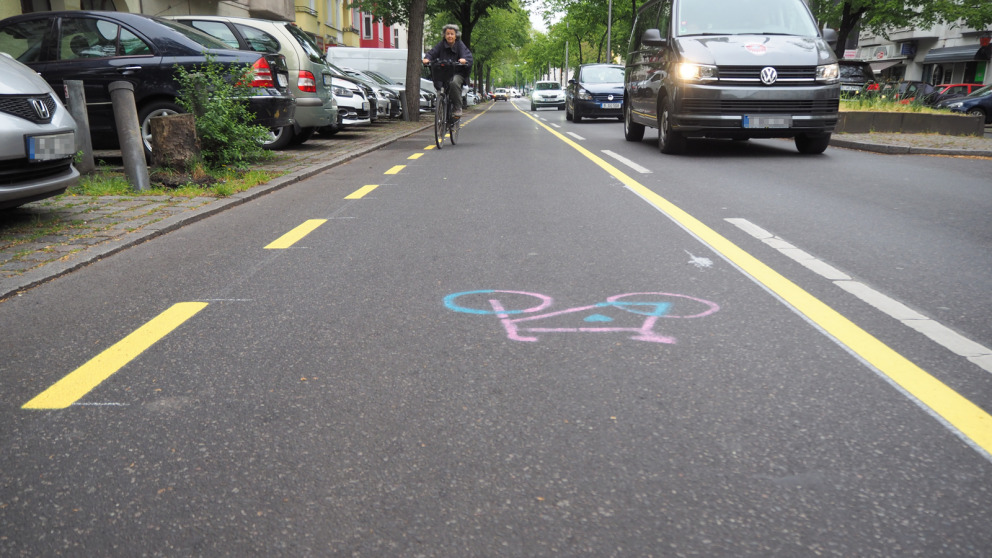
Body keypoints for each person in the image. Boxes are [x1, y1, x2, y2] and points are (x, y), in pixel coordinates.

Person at [422, 24, 473, 118]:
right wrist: (427, 58)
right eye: (447, 34)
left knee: (453, 83)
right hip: (444, 72)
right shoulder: (441, 45)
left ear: (456, 35)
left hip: (458, 73)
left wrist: (464, 60)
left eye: (452, 34)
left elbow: (467, 56)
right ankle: (442, 102)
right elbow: (432, 53)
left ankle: (457, 107)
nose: (449, 36)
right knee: (438, 82)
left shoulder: (460, 45)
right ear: (444, 35)